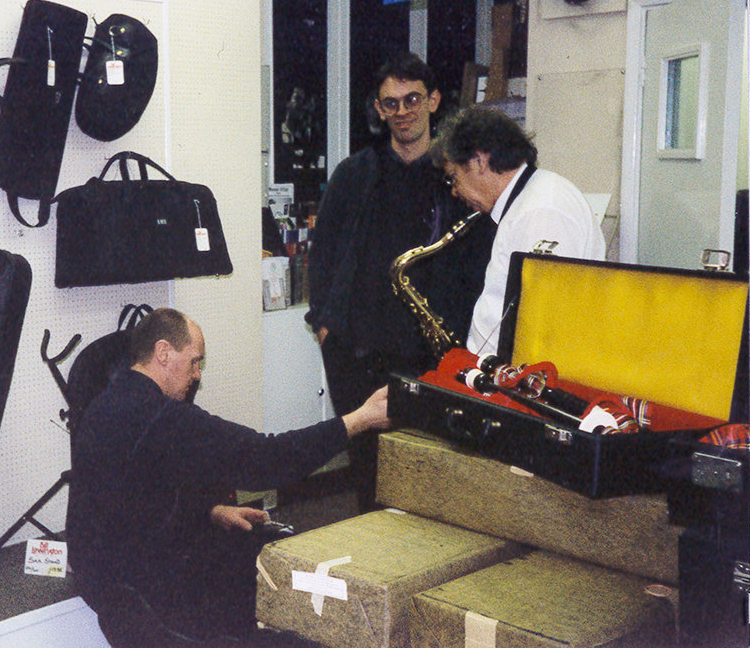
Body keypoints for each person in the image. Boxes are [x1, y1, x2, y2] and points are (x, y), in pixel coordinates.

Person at [66, 307, 390, 643]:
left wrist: (210, 511)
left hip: (109, 578)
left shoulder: (105, 404)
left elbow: (137, 496)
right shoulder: (161, 418)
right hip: (141, 596)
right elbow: (267, 458)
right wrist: (360, 419)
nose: (197, 375)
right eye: (194, 361)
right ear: (163, 353)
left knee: (247, 548)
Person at [305, 53, 494, 513]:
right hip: (358, 356)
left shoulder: (454, 176)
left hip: (434, 356)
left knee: (433, 480)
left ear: (433, 100)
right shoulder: (353, 174)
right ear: (378, 108)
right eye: (390, 103)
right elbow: (322, 256)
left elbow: (480, 261)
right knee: (368, 478)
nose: (402, 111)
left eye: (412, 99)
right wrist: (326, 330)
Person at [429, 105, 606, 356]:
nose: (454, 191)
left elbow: (542, 324)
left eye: (453, 177)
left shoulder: (542, 210)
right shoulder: (527, 203)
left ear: (479, 161)